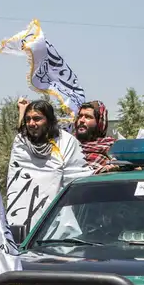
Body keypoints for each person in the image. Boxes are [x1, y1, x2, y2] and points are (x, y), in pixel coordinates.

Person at [5, 99, 90, 231]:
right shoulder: (21, 142)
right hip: (19, 220)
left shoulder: (65, 142)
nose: (31, 123)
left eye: (37, 119)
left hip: (54, 222)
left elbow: (78, 179)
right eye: (28, 119)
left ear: (49, 120)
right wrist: (21, 110)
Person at [74, 100, 118, 173]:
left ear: (99, 122)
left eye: (88, 117)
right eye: (80, 116)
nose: (81, 120)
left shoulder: (115, 150)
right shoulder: (68, 146)